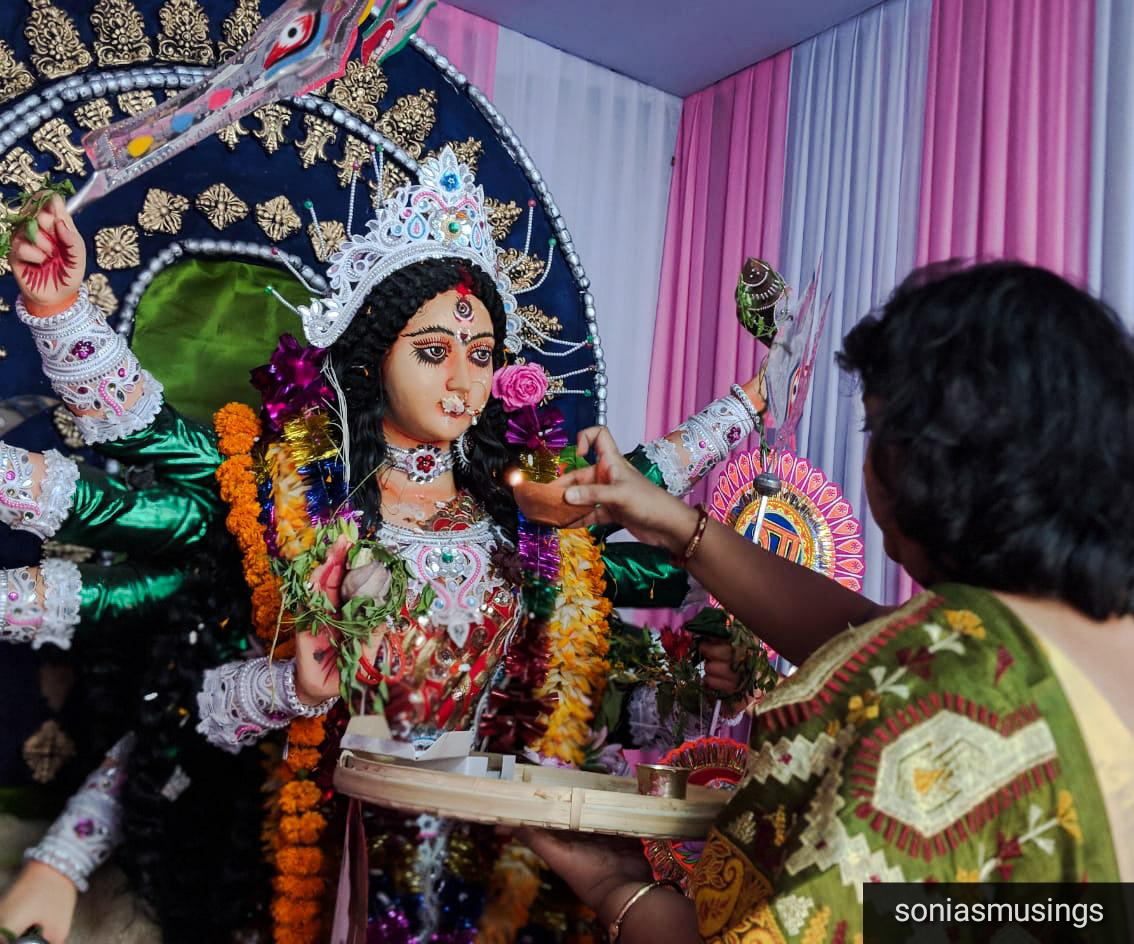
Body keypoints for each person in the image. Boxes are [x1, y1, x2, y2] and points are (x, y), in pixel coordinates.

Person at [0, 150, 769, 941]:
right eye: (434, 352)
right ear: (374, 357)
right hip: (339, 865)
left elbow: (592, 706)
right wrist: (291, 688)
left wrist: (693, 696)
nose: (463, 380)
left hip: (511, 870)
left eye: (482, 355)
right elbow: (193, 708)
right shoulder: (297, 506)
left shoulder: (530, 520)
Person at [518, 261, 1134, 943]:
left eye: (874, 434)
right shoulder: (1065, 647)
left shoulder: (944, 701)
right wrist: (674, 522)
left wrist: (614, 889)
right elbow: (868, 634)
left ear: (932, 460)